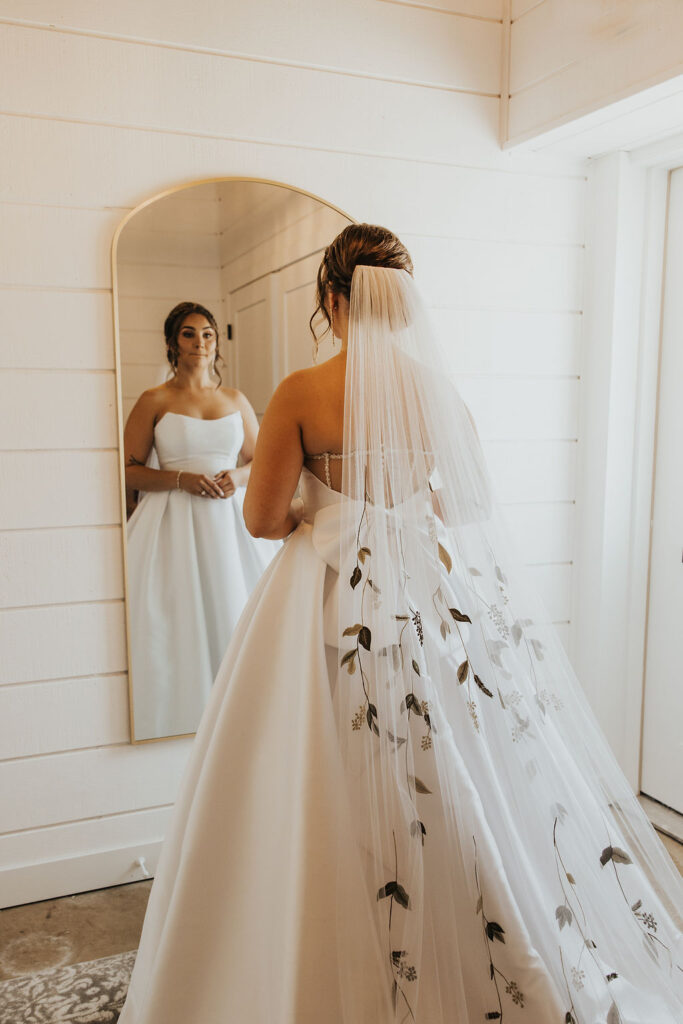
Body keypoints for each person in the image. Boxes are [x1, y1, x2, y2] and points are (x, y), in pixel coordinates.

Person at [118, 228, 683, 1021]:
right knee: (451, 761)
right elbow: (472, 503)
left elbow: (262, 519)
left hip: (321, 603)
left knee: (308, 768)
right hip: (423, 596)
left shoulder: (300, 392)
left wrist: (328, 512)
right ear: (404, 303)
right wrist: (404, 514)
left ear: (330, 299)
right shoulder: (436, 393)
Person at [123, 302, 280, 739]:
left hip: (229, 524)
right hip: (172, 522)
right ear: (173, 342)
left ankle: (243, 722)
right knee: (175, 618)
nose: (200, 342)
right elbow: (129, 469)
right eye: (189, 333)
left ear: (217, 341)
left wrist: (238, 477)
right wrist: (180, 479)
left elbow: (261, 460)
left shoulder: (235, 400)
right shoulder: (153, 400)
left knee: (237, 607)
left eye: (207, 333)